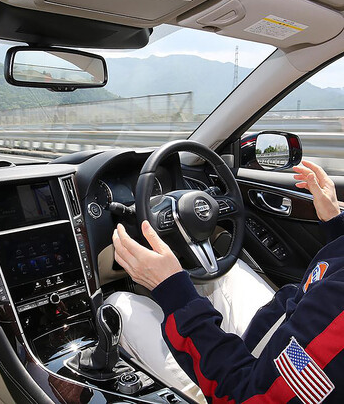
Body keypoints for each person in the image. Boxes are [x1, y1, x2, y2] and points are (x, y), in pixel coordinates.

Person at [106, 160, 343, 403]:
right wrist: (336, 226)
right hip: (278, 334)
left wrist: (172, 289)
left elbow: (252, 398)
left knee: (118, 304)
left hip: (242, 385)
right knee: (225, 273)